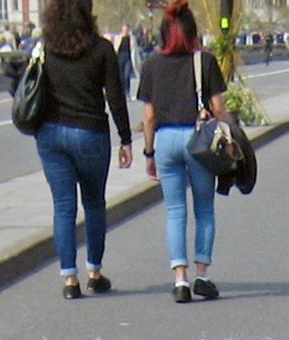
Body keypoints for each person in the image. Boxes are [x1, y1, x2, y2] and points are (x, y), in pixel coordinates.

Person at [33, 0, 131, 299]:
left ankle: (69, 279)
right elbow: (116, 97)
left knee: (63, 207)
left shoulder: (45, 49)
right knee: (94, 203)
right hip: (90, 133)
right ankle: (95, 272)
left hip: (50, 133)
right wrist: (126, 138)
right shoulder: (101, 49)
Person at [139, 0, 225, 303]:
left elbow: (148, 116)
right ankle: (202, 275)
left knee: (175, 211)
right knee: (204, 210)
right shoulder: (205, 61)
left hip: (165, 139)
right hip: (197, 139)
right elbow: (218, 107)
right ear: (193, 33)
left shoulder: (151, 66)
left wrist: (149, 153)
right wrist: (226, 133)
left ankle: (180, 280)